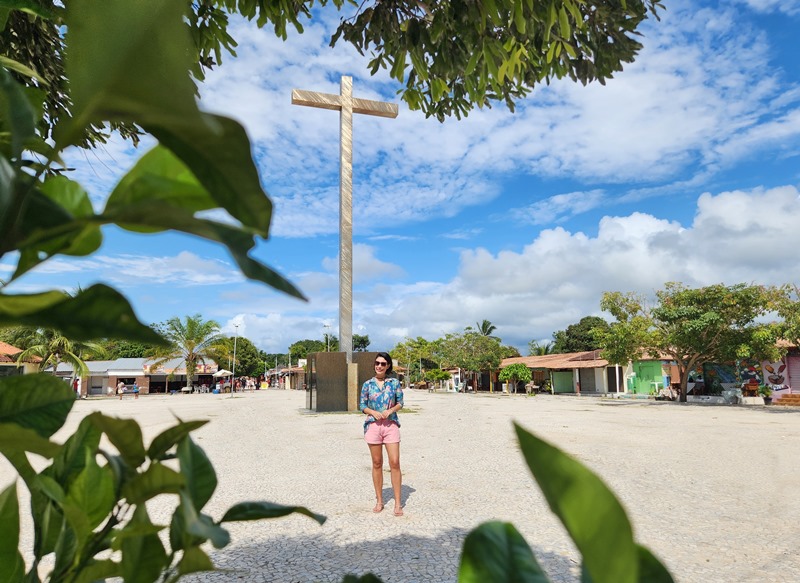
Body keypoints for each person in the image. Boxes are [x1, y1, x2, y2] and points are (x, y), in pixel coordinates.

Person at [359, 351, 404, 516]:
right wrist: (372, 412)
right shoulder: (367, 385)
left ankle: (398, 503)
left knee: (395, 462)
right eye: (377, 363)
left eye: (383, 364)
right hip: (373, 426)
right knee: (377, 463)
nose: (379, 366)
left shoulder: (393, 383)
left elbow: (401, 402)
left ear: (388, 366)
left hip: (391, 425)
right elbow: (362, 405)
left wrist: (390, 410)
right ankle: (379, 500)